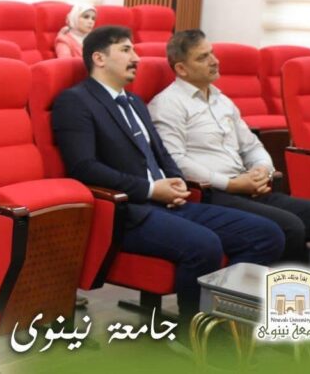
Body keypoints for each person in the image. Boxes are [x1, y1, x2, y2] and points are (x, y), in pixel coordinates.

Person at [50, 25, 284, 323]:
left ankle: (225, 320)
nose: (136, 58)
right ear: (99, 58)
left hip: (169, 202)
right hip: (129, 211)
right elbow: (84, 167)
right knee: (205, 244)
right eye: (126, 50)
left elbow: (162, 154)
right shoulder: (76, 101)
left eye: (134, 50)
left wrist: (176, 181)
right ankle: (193, 330)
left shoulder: (134, 102)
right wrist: (150, 189)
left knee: (267, 235)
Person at [150, 29, 310, 261]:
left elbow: (252, 145)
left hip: (247, 186)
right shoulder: (167, 104)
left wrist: (262, 170)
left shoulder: (222, 100)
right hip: (212, 193)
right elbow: (175, 160)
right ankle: (284, 283)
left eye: (212, 53)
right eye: (203, 57)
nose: (214, 61)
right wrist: (231, 184)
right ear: (181, 68)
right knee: (290, 226)